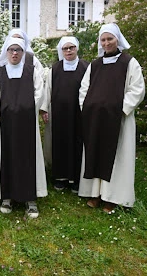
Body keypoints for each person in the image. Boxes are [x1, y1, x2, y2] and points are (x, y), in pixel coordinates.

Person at [78, 23, 145, 214]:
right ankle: (95, 193)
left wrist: (120, 110)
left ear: (118, 39)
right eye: (103, 39)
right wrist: (88, 109)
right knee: (95, 153)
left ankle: (112, 197)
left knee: (117, 156)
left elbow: (137, 89)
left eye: (110, 39)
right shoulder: (95, 65)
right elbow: (84, 89)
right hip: (96, 119)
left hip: (118, 120)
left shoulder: (129, 63)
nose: (107, 43)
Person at [0, 37, 47, 218]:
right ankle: (6, 196)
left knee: (28, 157)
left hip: (26, 122)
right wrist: (2, 112)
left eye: (18, 50)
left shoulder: (32, 71)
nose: (15, 53)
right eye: (11, 50)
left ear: (23, 53)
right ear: (6, 52)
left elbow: (39, 92)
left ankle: (30, 198)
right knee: (6, 157)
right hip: (4, 123)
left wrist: (27, 110)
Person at [42, 37, 89, 193]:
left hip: (79, 112)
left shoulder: (86, 67)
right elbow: (47, 90)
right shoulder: (55, 69)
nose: (68, 51)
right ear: (61, 51)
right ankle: (60, 177)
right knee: (60, 142)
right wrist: (44, 109)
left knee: (78, 142)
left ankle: (76, 178)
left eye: (71, 48)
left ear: (77, 48)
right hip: (59, 113)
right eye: (65, 48)